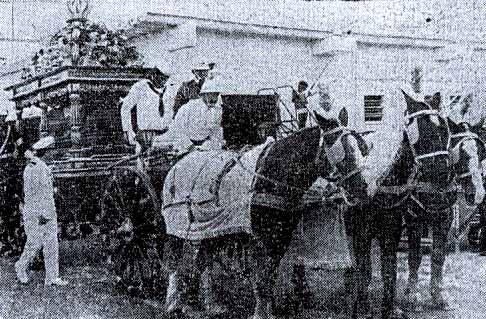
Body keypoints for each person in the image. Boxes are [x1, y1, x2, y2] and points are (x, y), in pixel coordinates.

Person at [15, 136, 68, 286]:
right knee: (34, 243)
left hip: (47, 209)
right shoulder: (34, 167)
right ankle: (20, 267)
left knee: (51, 243)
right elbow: (33, 193)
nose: (54, 154)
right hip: (36, 210)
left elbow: (47, 189)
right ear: (46, 152)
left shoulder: (42, 166)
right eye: (52, 151)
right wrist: (42, 213)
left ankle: (52, 277)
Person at [154, 71, 225, 153]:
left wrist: (215, 149)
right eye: (211, 95)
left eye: (216, 95)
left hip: (202, 146)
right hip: (181, 143)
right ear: (202, 95)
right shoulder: (189, 107)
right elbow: (177, 130)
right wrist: (190, 147)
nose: (214, 99)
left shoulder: (217, 110)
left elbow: (215, 132)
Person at [120, 66, 170, 150]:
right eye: (161, 78)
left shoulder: (168, 88)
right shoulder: (141, 87)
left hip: (164, 133)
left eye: (166, 78)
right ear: (154, 75)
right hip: (145, 133)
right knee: (144, 158)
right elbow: (125, 107)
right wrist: (127, 131)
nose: (163, 81)